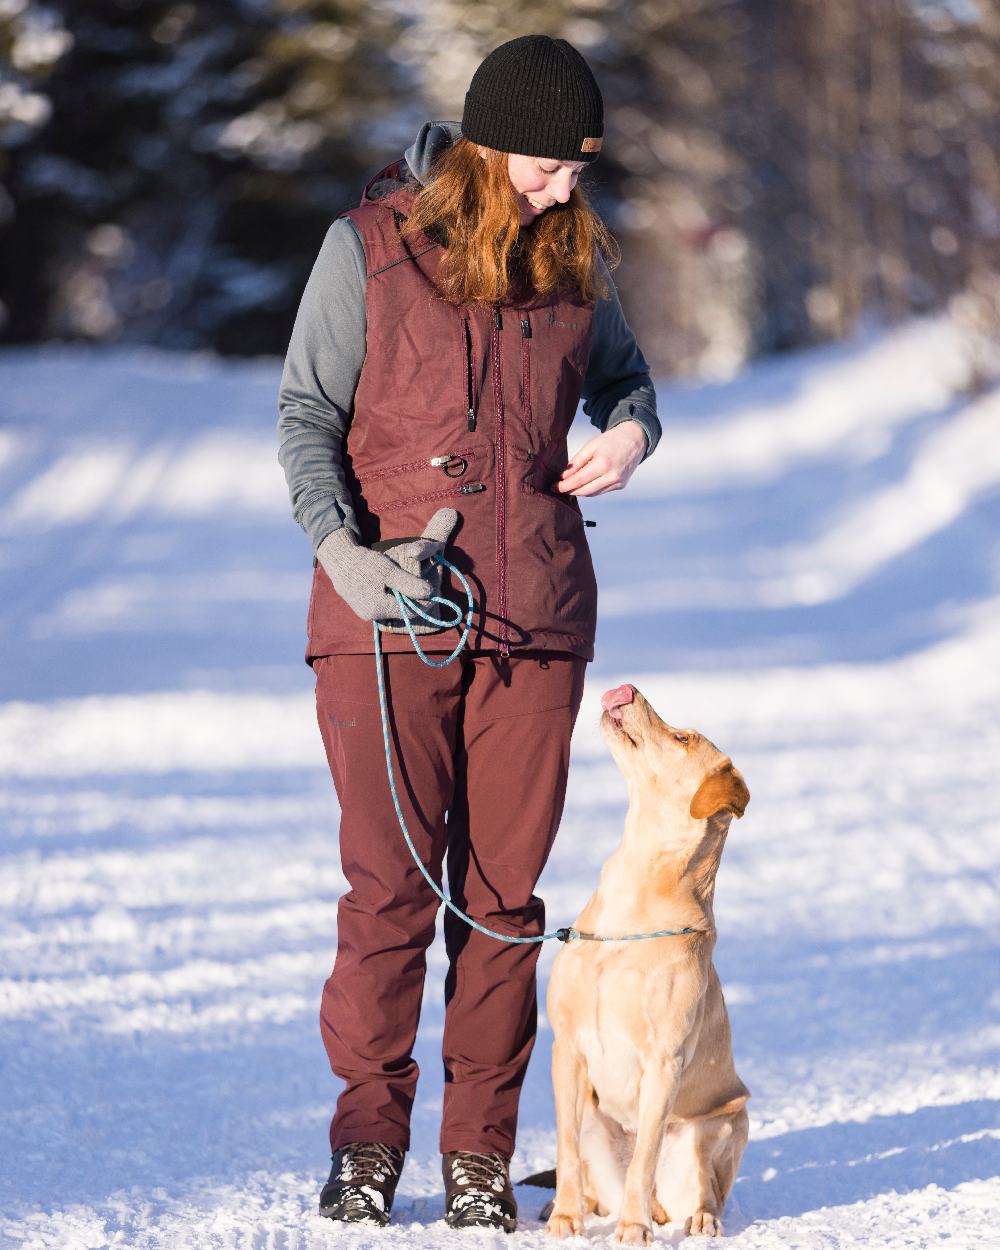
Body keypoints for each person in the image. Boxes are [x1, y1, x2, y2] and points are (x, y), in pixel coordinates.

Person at [276, 33, 661, 1233]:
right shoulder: (370, 250)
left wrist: (631, 436)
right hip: (387, 620)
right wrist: (347, 555)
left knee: (502, 899)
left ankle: (480, 1153)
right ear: (492, 145)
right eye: (552, 165)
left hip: (537, 618)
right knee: (389, 890)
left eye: (579, 169)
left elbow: (630, 381)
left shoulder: (576, 261)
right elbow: (305, 415)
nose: (567, 187)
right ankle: (368, 1140)